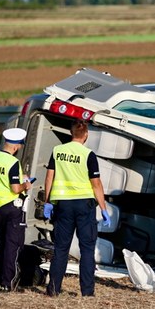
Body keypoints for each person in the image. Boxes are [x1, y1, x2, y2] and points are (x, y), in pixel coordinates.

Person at [43, 120, 110, 297]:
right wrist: (103, 208)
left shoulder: (58, 151)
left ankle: (53, 290)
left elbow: (49, 177)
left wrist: (48, 201)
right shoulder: (88, 154)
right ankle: (87, 292)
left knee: (60, 248)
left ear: (70, 133)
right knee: (87, 248)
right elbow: (96, 184)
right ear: (86, 135)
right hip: (83, 205)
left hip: (63, 204)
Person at [0, 128, 32, 292]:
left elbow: (1, 179)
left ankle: (2, 280)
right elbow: (14, 188)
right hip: (12, 207)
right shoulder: (13, 162)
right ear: (16, 145)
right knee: (13, 246)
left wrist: (20, 177)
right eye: (20, 145)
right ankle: (8, 283)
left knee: (4, 244)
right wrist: (26, 184)